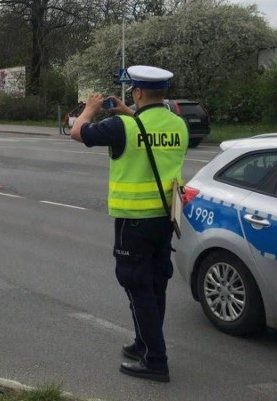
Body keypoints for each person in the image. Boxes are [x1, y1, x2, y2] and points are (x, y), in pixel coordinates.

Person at [70, 65, 188, 383]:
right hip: (165, 219)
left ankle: (156, 360)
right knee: (155, 284)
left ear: (136, 92)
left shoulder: (123, 126)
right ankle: (143, 344)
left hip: (134, 221)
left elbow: (78, 132)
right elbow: (149, 133)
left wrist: (89, 109)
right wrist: (128, 113)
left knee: (137, 288)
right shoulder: (179, 124)